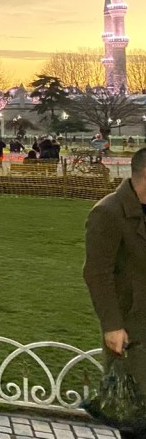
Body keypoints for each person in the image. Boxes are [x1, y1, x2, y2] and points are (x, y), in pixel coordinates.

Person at [84, 147, 146, 439]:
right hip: (132, 331)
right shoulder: (107, 213)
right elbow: (97, 274)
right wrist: (112, 325)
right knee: (136, 417)